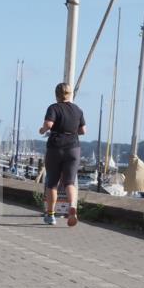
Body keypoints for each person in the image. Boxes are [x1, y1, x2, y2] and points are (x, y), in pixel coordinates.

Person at [38, 82, 86, 227]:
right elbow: (83, 130)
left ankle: (51, 215)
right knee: (69, 182)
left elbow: (49, 125)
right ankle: (73, 207)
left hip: (56, 147)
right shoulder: (78, 110)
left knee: (52, 182)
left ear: (56, 94)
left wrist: (42, 130)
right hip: (73, 148)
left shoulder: (53, 108)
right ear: (70, 94)